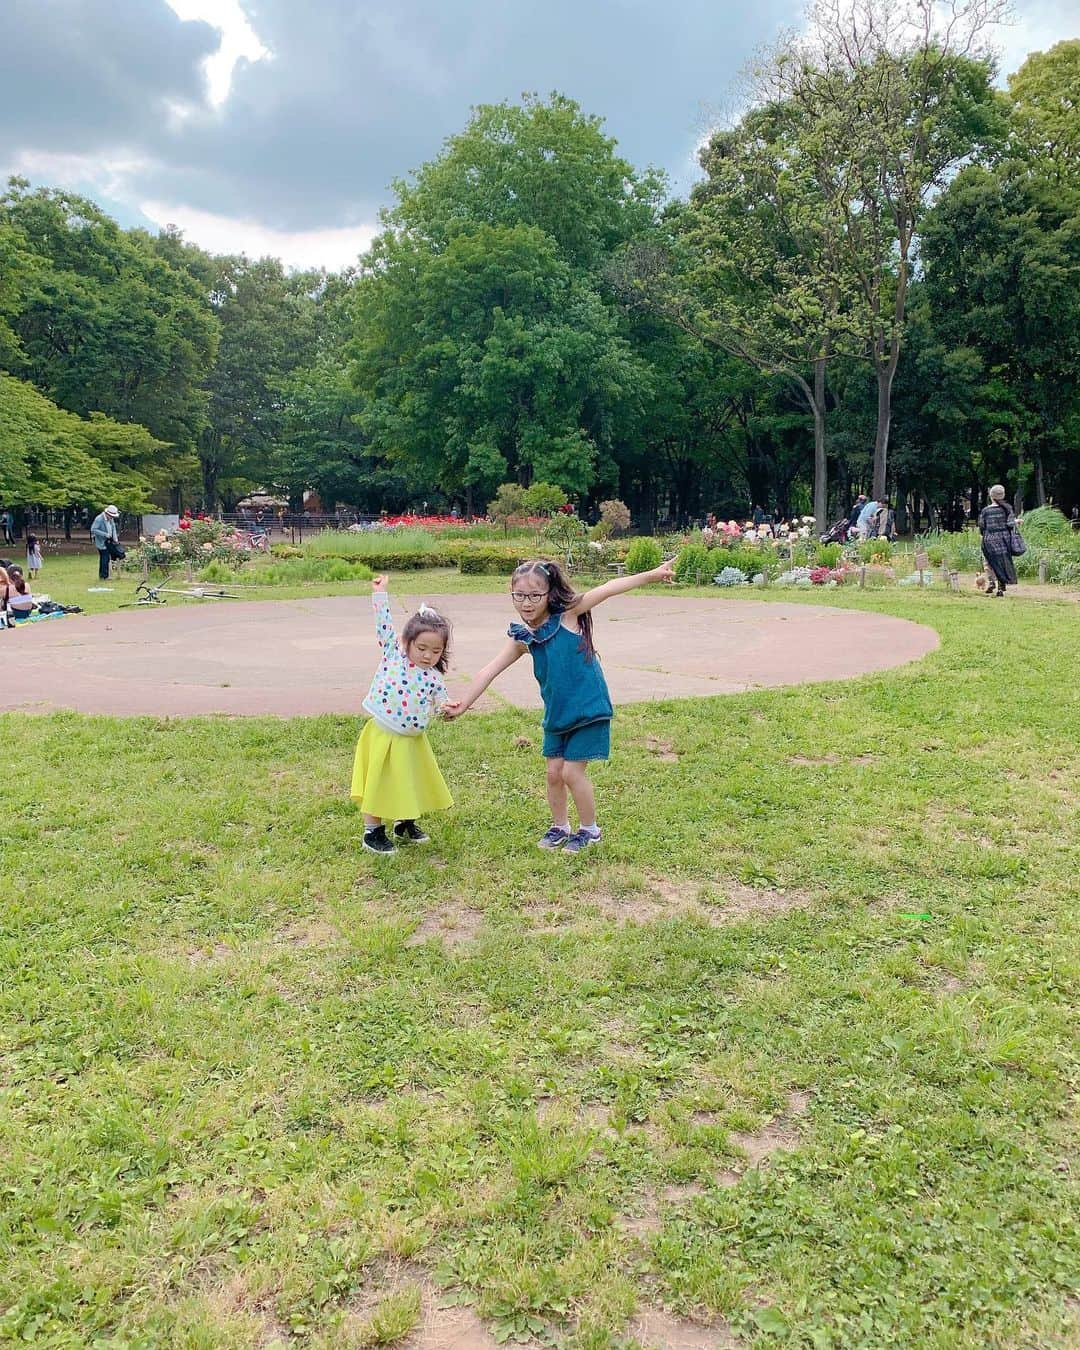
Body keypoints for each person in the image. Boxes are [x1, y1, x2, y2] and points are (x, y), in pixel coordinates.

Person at [445, 556, 675, 854]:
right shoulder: (523, 638)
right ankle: (559, 827)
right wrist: (463, 704)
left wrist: (652, 575)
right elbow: (488, 670)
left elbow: (609, 587)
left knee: (571, 773)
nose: (526, 603)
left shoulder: (569, 614)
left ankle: (590, 831)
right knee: (554, 772)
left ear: (549, 592)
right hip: (557, 715)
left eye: (534, 596)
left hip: (589, 710)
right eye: (520, 596)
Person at [351, 575, 453, 855]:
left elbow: (442, 702)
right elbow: (383, 624)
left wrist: (448, 709)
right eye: (421, 648)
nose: (427, 655)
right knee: (379, 782)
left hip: (411, 739)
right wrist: (380, 594)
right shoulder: (393, 654)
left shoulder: (434, 678)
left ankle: (404, 823)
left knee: (409, 781)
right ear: (406, 642)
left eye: (436, 650)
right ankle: (372, 832)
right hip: (383, 733)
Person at [978, 484, 1018, 597]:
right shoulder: (1007, 509)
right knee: (1002, 563)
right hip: (1004, 541)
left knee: (988, 563)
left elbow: (982, 526)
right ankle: (1001, 587)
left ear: (991, 496)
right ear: (1002, 496)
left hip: (989, 540)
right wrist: (1016, 521)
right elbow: (1010, 524)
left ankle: (991, 582)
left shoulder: (986, 511)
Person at [90, 505, 121, 580]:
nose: (112, 518)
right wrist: (105, 534)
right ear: (107, 513)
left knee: (106, 558)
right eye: (111, 516)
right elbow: (93, 529)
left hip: (109, 541)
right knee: (105, 557)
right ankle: (104, 576)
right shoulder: (99, 519)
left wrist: (115, 538)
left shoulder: (111, 519)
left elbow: (113, 527)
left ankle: (104, 575)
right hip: (101, 542)